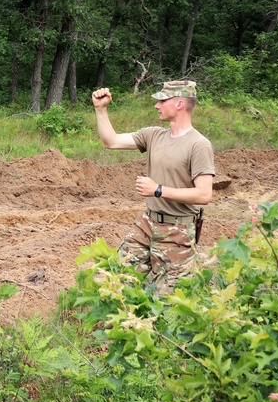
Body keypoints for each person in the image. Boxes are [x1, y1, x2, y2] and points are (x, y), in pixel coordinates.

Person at [91, 80, 215, 293]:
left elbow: (204, 194)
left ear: (179, 104)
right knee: (114, 280)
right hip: (147, 224)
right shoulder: (154, 135)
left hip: (177, 232)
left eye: (162, 101)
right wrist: (100, 110)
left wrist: (158, 190)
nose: (156, 106)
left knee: (167, 301)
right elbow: (111, 141)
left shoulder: (199, 145)